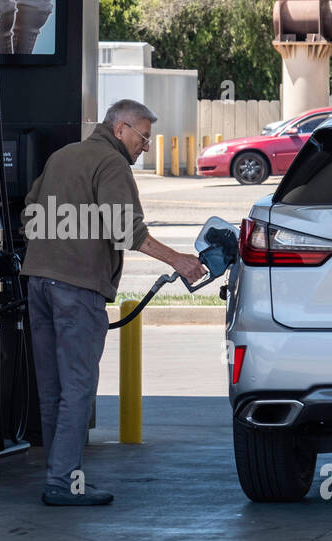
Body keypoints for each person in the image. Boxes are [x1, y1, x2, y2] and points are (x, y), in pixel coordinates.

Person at [22, 99, 206, 506]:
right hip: (77, 289)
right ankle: (63, 482)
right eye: (143, 136)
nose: (145, 146)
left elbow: (29, 213)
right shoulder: (111, 164)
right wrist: (180, 260)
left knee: (53, 389)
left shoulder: (63, 156)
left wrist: (52, 247)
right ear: (120, 128)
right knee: (78, 389)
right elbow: (128, 231)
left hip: (38, 284)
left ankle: (57, 475)